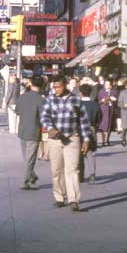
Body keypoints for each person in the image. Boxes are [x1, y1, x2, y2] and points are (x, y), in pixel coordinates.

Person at [40, 75, 93, 213]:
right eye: (54, 87)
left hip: (72, 138)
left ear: (65, 85)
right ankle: (59, 197)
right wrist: (50, 129)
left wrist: (86, 139)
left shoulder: (76, 100)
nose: (56, 89)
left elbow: (84, 122)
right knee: (56, 170)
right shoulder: (50, 100)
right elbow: (44, 116)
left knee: (72, 170)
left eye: (58, 87)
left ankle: (74, 200)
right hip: (55, 139)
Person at [16, 75, 46, 190]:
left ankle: (32, 177)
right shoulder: (41, 100)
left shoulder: (22, 97)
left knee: (27, 158)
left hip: (22, 130)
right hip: (34, 131)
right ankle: (25, 181)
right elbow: (44, 117)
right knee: (30, 159)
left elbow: (17, 111)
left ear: (31, 83)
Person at [78, 83, 102, 184]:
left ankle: (80, 175)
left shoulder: (77, 104)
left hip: (78, 129)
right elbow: (99, 117)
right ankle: (92, 174)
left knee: (79, 153)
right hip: (91, 128)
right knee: (91, 153)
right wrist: (95, 127)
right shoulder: (95, 104)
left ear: (80, 93)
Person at [96, 79, 118, 146]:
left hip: (111, 110)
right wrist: (102, 100)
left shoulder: (114, 92)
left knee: (110, 125)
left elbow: (117, 101)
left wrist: (114, 99)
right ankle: (103, 141)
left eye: (108, 84)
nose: (107, 86)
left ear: (111, 85)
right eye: (106, 84)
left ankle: (107, 140)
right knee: (103, 125)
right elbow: (98, 101)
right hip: (103, 110)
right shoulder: (101, 92)